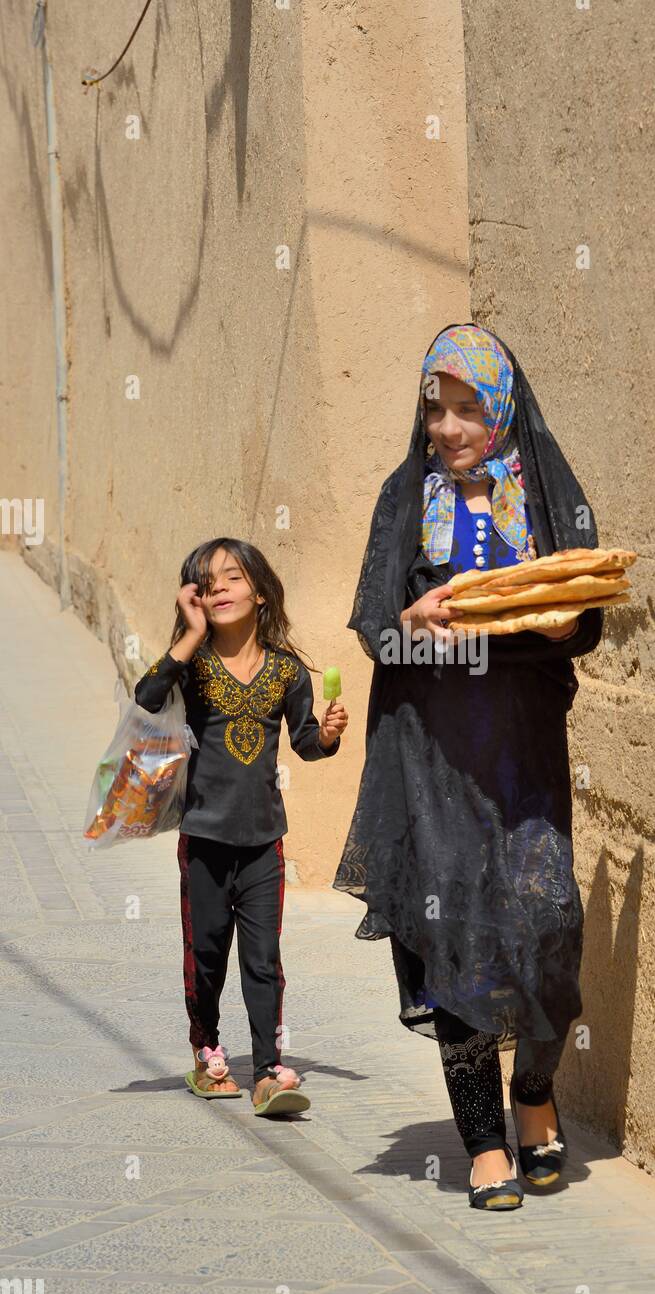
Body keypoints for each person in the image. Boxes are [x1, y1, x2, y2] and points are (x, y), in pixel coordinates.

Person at [333, 324, 604, 1208]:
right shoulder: (405, 495)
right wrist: (410, 624)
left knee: (547, 922)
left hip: (523, 748)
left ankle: (534, 1095)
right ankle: (485, 1141)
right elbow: (373, 621)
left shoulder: (546, 494)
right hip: (433, 754)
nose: (446, 428)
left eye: (466, 409)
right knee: (454, 934)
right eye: (433, 408)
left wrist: (565, 624)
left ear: (502, 410)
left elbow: (588, 613)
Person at [134, 537, 348, 1115]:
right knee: (205, 955)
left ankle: (270, 1070)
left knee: (263, 959)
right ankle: (206, 1053)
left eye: (231, 578)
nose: (219, 588)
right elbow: (147, 697)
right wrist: (189, 635)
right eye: (207, 582)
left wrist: (326, 734)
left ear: (258, 590)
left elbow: (306, 744)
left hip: (263, 843)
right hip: (203, 839)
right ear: (194, 599)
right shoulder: (194, 664)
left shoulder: (285, 670)